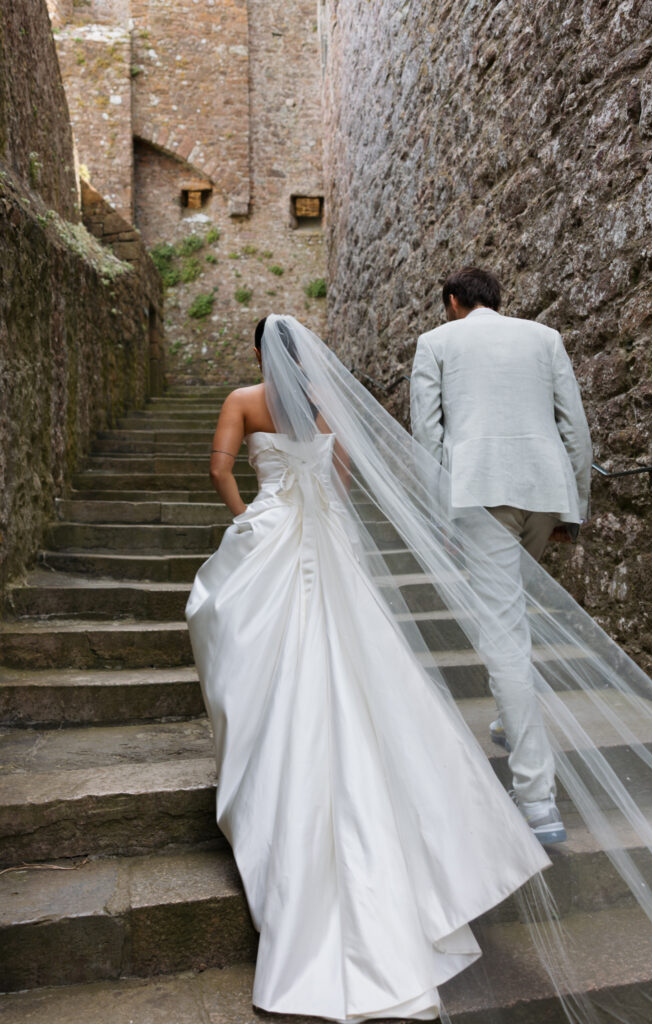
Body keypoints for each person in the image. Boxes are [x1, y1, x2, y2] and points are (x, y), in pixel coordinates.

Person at [186, 314, 551, 1023]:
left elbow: (217, 468)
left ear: (262, 353)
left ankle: (268, 759)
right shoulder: (323, 407)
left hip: (271, 539)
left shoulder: (240, 401)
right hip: (324, 541)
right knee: (357, 666)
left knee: (245, 645)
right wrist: (316, 503)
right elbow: (344, 478)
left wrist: (251, 515)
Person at [410, 266, 593, 845]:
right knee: (511, 620)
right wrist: (574, 513)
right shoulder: (545, 338)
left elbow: (428, 438)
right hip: (544, 493)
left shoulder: (435, 343)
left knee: (503, 632)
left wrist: (442, 513)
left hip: (479, 495)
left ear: (454, 302)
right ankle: (510, 723)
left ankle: (537, 798)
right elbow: (576, 429)